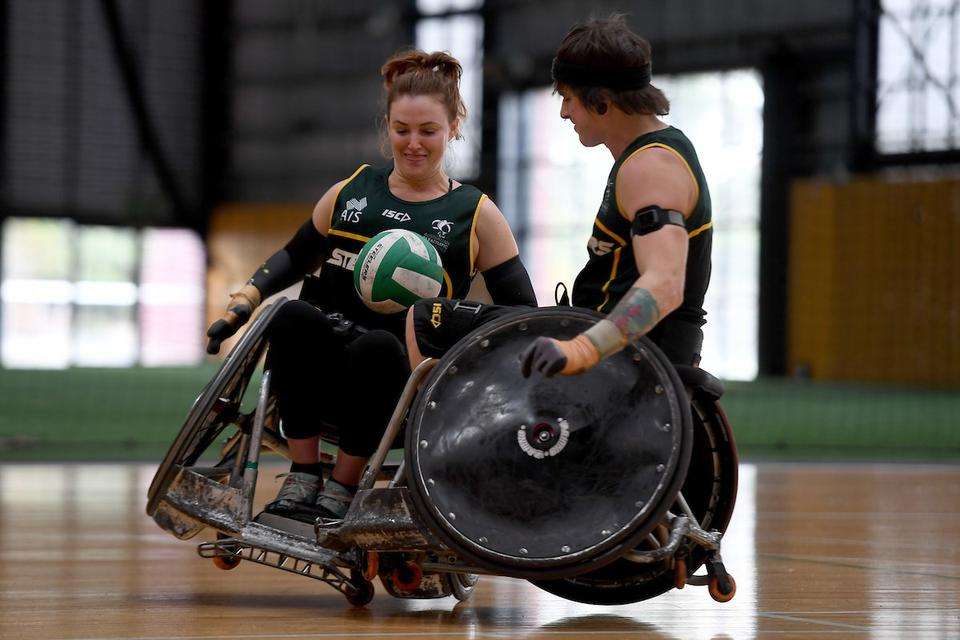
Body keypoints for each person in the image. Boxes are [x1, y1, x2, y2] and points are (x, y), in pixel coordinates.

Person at [205, 50, 536, 521]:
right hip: (321, 372)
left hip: (398, 384)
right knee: (291, 314)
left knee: (377, 348)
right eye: (402, 130)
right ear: (387, 127)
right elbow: (295, 256)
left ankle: (342, 486)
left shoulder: (476, 215)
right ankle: (303, 476)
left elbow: (520, 311)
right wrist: (240, 307)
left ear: (453, 129)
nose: (413, 143)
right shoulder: (352, 192)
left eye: (428, 131)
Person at [407, 15, 712, 378]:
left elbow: (664, 286)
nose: (564, 112)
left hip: (625, 359)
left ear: (601, 101)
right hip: (624, 344)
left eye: (569, 98)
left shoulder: (651, 167)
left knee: (427, 320)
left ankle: (425, 433)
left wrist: (581, 349)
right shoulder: (657, 155)